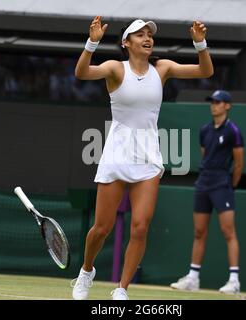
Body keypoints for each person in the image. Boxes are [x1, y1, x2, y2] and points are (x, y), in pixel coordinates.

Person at [72, 16, 213, 300]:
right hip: (116, 153)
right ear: (126, 43)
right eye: (140, 34)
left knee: (140, 227)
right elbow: (82, 73)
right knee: (101, 228)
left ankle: (122, 288)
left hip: (148, 158)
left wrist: (200, 42)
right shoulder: (114, 68)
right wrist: (92, 42)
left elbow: (205, 71)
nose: (147, 38)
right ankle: (87, 270)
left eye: (150, 34)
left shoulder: (162, 68)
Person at [170, 90, 244, 294]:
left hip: (222, 184)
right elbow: (206, 155)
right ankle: (193, 278)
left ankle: (234, 281)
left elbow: (238, 164)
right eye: (212, 102)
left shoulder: (233, 131)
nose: (214, 105)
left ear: (227, 106)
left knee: (228, 232)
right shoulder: (204, 130)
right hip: (203, 183)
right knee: (199, 232)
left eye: (218, 102)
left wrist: (231, 185)